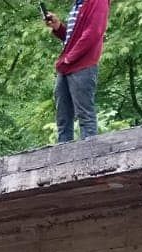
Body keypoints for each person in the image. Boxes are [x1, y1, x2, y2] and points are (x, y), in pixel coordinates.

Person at [45, 0, 110, 144]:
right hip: (66, 67)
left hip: (82, 66)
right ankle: (63, 156)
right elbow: (73, 37)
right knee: (63, 117)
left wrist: (69, 58)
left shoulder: (97, 2)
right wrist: (58, 27)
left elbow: (93, 32)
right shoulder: (79, 4)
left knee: (85, 116)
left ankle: (90, 156)